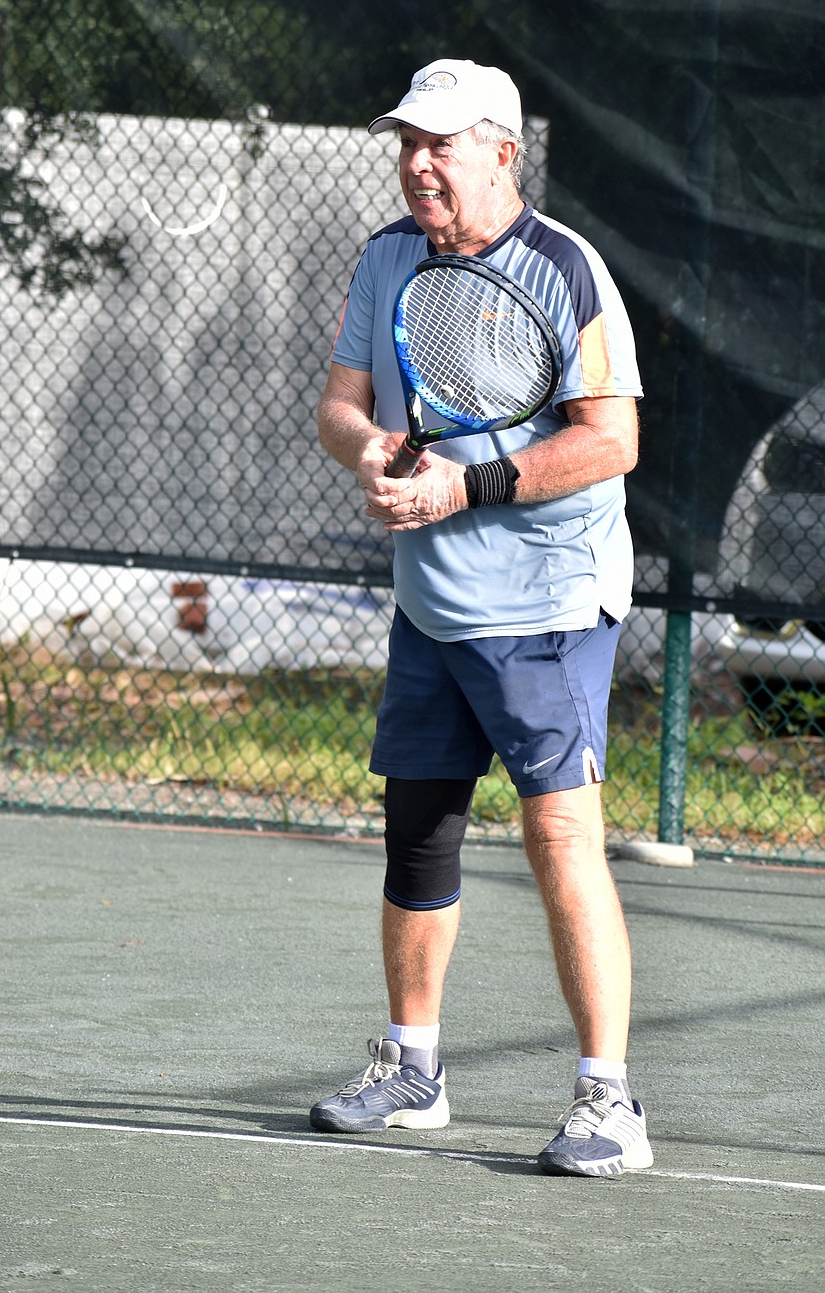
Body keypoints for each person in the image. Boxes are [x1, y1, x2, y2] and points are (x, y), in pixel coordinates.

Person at [309, 58, 653, 1178]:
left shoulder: (566, 269)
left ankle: (610, 1100)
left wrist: (463, 485)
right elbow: (343, 403)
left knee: (559, 834)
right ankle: (413, 1069)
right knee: (420, 827)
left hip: (547, 598)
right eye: (407, 140)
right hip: (431, 600)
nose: (417, 162)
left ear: (503, 151)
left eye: (440, 143)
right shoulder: (385, 256)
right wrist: (373, 454)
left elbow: (610, 440)